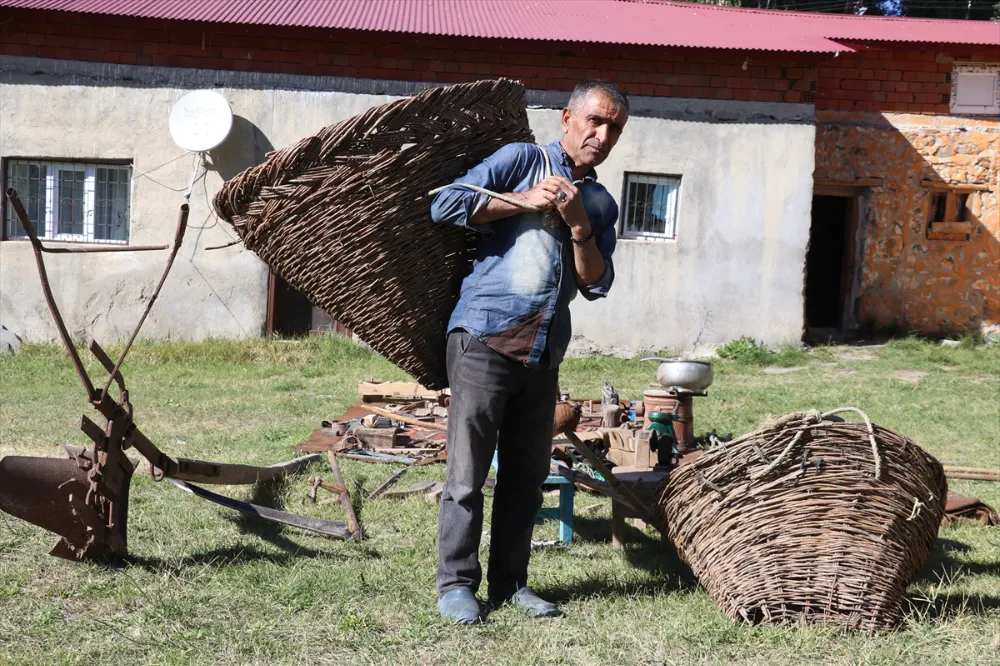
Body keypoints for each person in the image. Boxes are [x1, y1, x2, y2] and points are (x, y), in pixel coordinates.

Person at [429, 80, 629, 624]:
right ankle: (457, 585)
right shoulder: (521, 160)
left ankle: (512, 583)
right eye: (595, 120)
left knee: (525, 477)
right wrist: (522, 199)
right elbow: (445, 204)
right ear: (567, 118)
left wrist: (580, 227)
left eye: (614, 127)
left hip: (543, 352)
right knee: (467, 475)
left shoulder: (601, 203)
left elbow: (595, 283)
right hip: (484, 338)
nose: (602, 134)